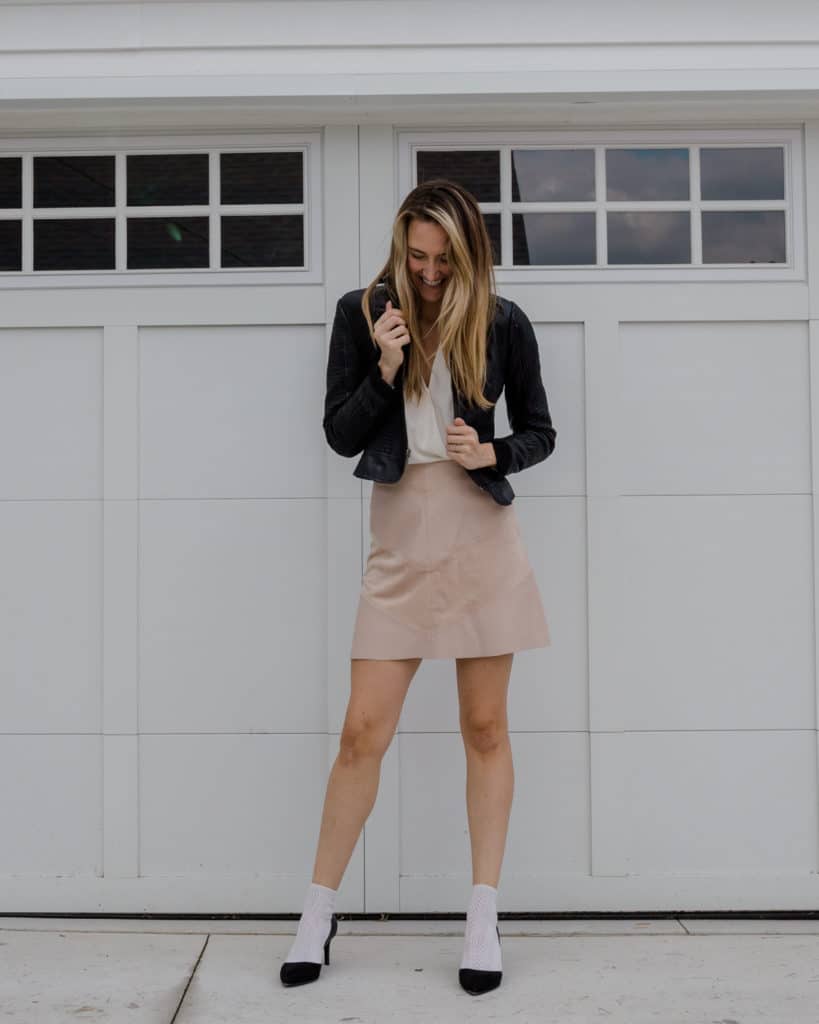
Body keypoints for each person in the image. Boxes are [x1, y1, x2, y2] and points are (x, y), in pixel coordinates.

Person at [280, 179, 556, 995]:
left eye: (444, 260)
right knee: (361, 733)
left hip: (480, 536)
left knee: (485, 728)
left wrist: (492, 453)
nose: (429, 273)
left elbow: (540, 431)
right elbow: (340, 435)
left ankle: (482, 917)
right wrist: (387, 366)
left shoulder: (501, 322)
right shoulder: (361, 312)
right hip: (399, 536)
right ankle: (316, 914)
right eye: (417, 256)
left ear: (469, 256)